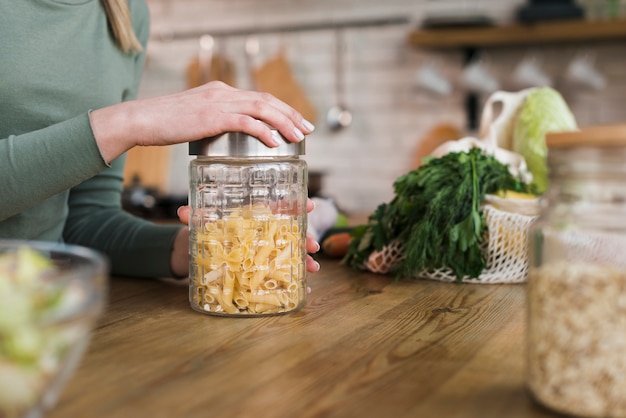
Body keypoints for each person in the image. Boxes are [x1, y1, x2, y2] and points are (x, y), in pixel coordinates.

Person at [0, 0, 320, 279]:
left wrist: (197, 248)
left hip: (37, 306)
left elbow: (85, 221)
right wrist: (129, 121)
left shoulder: (124, 11)